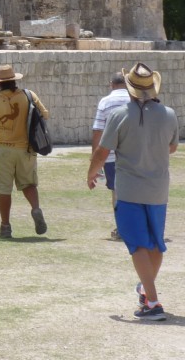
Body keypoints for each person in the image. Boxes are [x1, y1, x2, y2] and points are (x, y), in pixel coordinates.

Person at [87, 62, 179, 321]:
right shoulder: (169, 114)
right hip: (158, 189)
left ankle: (152, 302)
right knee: (155, 244)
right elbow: (172, 147)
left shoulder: (119, 115)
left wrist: (91, 173)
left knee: (137, 244)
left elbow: (103, 151)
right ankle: (146, 288)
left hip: (129, 190)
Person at [0, 64, 49, 239]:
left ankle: (5, 226)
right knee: (29, 184)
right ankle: (36, 209)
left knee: (4, 189)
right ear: (14, 81)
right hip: (26, 149)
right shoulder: (29, 95)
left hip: (3, 150)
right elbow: (45, 115)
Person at [91, 73, 131, 241]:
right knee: (134, 191)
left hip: (111, 155)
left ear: (111, 84)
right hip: (134, 154)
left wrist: (95, 159)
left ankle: (122, 228)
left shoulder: (105, 102)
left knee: (116, 191)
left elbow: (98, 131)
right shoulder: (137, 101)